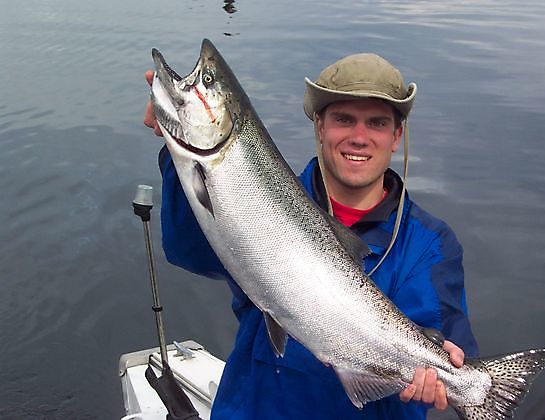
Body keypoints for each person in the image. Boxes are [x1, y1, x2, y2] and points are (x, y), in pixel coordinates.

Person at [143, 52, 478, 419]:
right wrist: (178, 157)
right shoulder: (259, 193)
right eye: (343, 120)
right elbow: (187, 251)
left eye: (377, 123)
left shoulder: (429, 243)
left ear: (396, 135)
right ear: (320, 126)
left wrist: (446, 372)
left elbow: (448, 338)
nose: (359, 137)